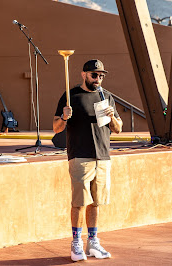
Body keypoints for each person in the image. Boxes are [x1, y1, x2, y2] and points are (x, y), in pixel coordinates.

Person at [53, 59, 123, 262]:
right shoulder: (71, 96)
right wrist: (64, 118)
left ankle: (93, 242)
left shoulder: (106, 96)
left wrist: (113, 118)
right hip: (80, 156)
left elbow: (118, 129)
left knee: (96, 203)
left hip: (102, 156)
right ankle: (76, 243)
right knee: (80, 203)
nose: (98, 79)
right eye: (94, 75)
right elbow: (56, 127)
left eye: (101, 76)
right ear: (84, 75)